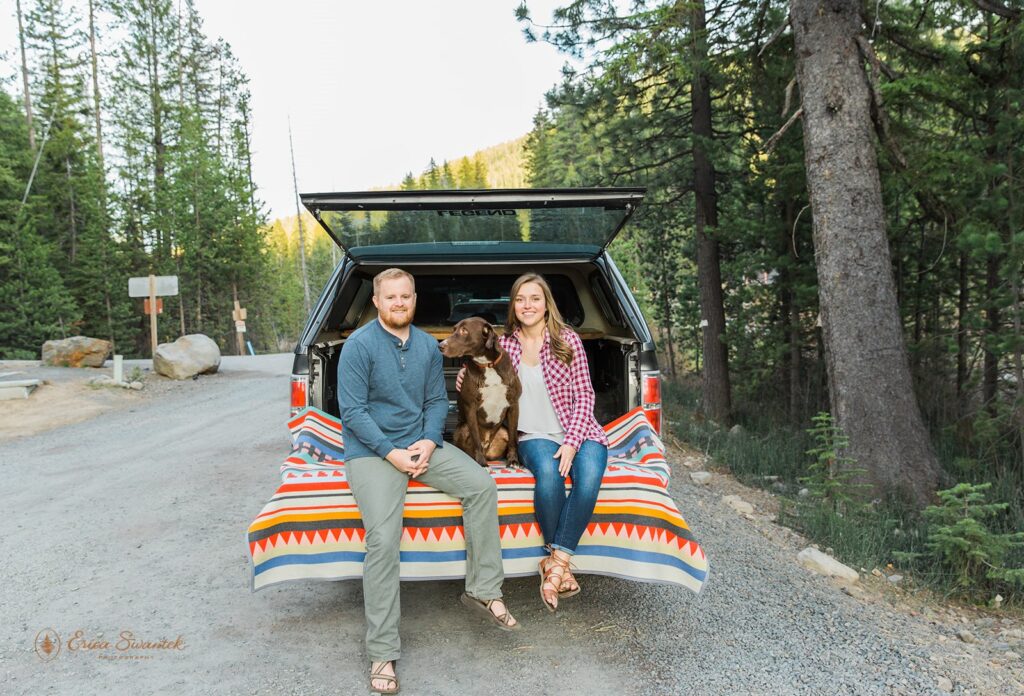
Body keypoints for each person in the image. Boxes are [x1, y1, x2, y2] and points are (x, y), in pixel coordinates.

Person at [337, 268, 519, 695]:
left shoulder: (424, 346)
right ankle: (382, 651)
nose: (399, 303)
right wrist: (392, 452)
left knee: (481, 485)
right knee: (383, 538)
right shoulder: (359, 346)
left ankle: (482, 590)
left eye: (406, 297)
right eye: (391, 297)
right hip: (372, 452)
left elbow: (437, 400)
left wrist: (427, 442)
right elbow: (353, 413)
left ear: (413, 299)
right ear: (378, 302)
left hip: (420, 445)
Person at [460, 272, 609, 611]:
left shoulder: (567, 340)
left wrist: (572, 441)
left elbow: (585, 393)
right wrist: (463, 378)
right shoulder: (506, 343)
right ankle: (561, 567)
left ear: (546, 305)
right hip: (531, 434)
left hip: (579, 429)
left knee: (587, 480)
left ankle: (554, 561)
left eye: (535, 299)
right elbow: (478, 368)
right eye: (520, 299)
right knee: (549, 476)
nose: (527, 305)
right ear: (513, 305)